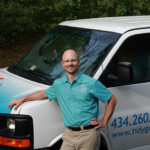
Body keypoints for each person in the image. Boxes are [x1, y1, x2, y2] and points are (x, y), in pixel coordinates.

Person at [8, 49, 117, 150]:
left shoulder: (91, 83)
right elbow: (43, 94)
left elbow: (112, 99)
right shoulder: (59, 84)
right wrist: (23, 99)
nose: (70, 64)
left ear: (78, 62)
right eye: (67, 61)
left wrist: (104, 121)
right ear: (62, 64)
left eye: (73, 60)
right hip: (69, 134)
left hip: (88, 134)